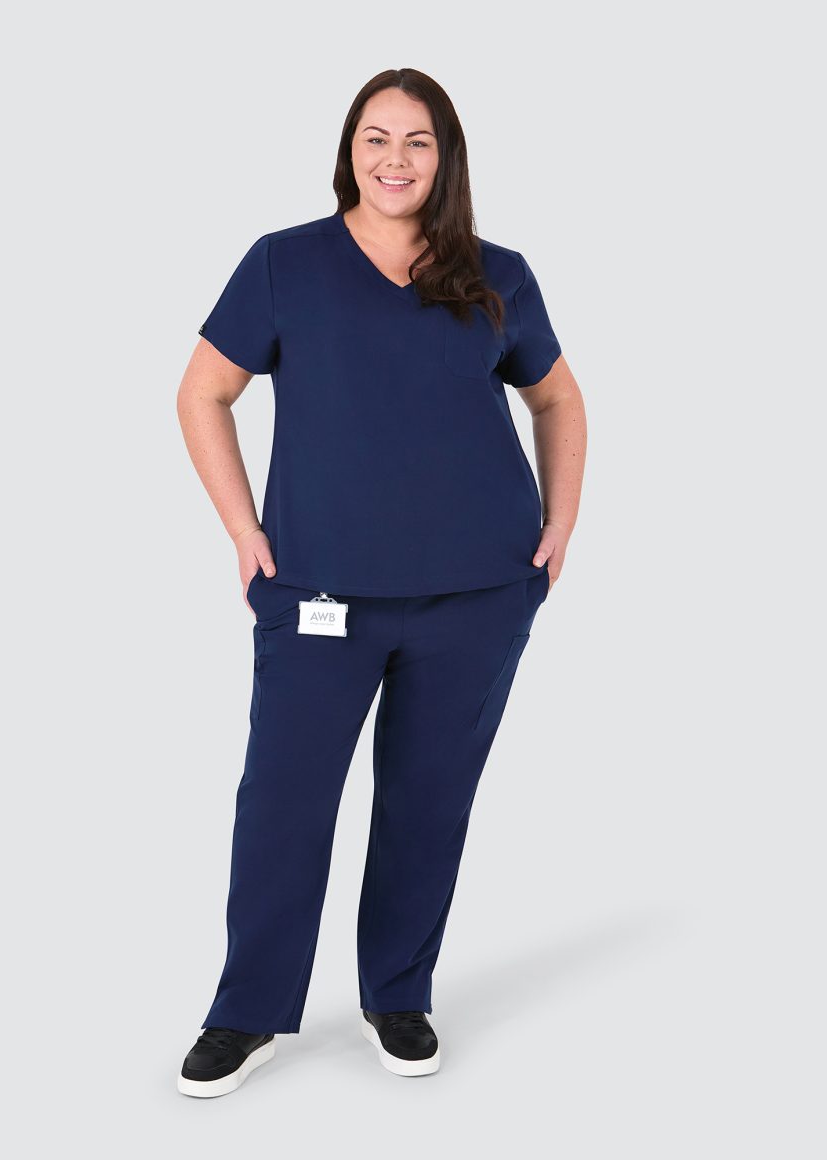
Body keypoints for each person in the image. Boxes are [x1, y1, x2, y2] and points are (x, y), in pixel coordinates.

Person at [175, 67, 587, 1096]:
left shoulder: (496, 273)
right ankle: (247, 1011)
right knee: (284, 802)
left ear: (445, 158)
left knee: (427, 801)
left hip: (478, 592)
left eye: (417, 141)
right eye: (377, 137)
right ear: (349, 149)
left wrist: (559, 521)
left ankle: (398, 994)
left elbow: (557, 399)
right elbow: (203, 392)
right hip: (320, 591)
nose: (395, 159)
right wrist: (243, 529)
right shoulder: (286, 264)